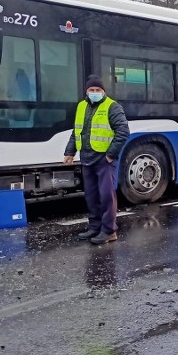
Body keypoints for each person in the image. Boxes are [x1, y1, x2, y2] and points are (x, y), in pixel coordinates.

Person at [63, 75, 130, 244]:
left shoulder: (112, 107)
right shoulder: (82, 106)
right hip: (86, 158)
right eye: (91, 90)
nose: (94, 92)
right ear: (86, 91)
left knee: (106, 195)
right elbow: (77, 131)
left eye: (97, 90)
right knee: (91, 195)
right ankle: (95, 227)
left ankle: (109, 231)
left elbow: (123, 131)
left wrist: (110, 155)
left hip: (103, 159)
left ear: (103, 91)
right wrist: (69, 151)